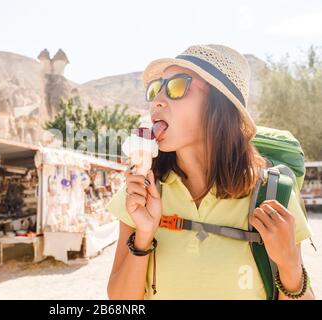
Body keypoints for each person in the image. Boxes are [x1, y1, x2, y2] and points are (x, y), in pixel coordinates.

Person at [106, 44, 315, 300]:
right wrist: (144, 235)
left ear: (219, 105)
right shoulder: (141, 190)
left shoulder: (270, 194)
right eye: (156, 88)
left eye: (177, 86)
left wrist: (289, 266)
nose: (157, 100)